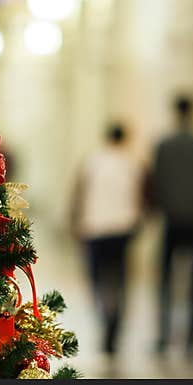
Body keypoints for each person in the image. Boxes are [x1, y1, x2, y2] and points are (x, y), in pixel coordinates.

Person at [70, 123, 146, 358]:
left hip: (94, 228)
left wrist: (74, 222)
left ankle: (105, 315)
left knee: (97, 277)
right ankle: (115, 320)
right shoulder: (133, 164)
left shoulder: (92, 161)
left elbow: (78, 194)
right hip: (123, 228)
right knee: (120, 277)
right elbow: (143, 196)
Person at [151, 94, 193, 359]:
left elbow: (157, 183)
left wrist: (166, 208)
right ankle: (192, 338)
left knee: (166, 280)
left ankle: (165, 335)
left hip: (172, 221)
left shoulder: (164, 146)